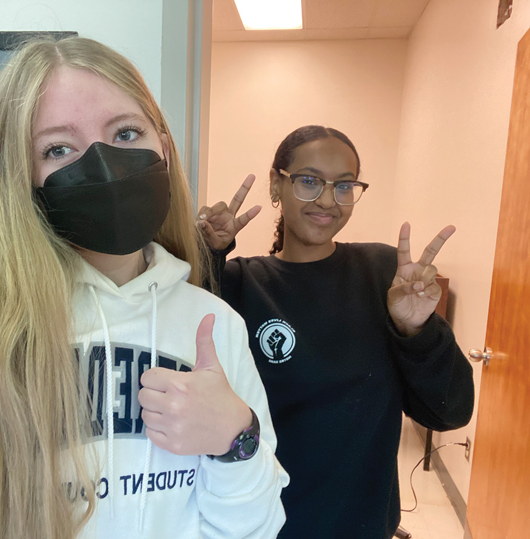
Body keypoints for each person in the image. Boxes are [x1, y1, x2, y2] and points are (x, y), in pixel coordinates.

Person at [0, 37, 288, 539]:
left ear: (163, 148)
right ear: (24, 174)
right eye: (58, 148)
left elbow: (252, 528)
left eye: (127, 133)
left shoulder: (213, 327)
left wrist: (236, 439)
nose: (103, 163)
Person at [198, 125, 474, 539]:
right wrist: (207, 256)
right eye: (309, 181)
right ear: (277, 185)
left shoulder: (382, 274)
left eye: (344, 186)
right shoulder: (239, 284)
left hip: (360, 524)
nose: (327, 199)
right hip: (262, 524)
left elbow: (450, 411)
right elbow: (183, 360)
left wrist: (415, 328)